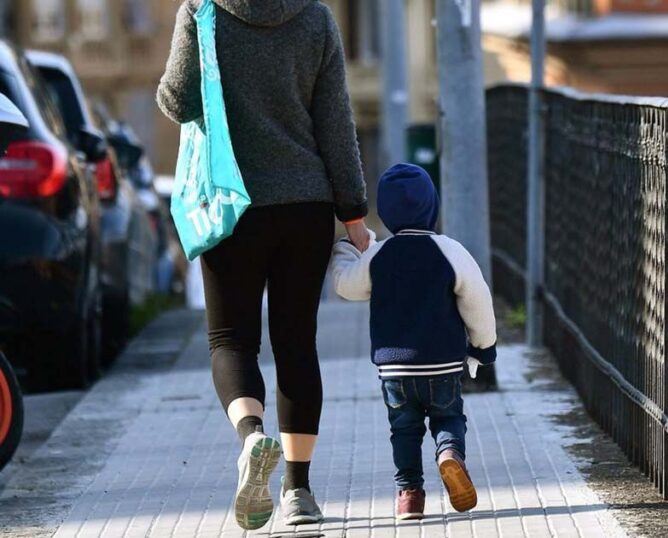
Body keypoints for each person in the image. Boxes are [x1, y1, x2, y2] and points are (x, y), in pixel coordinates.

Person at [156, 0, 371, 529]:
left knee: (231, 340)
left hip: (230, 204)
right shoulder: (317, 18)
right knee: (297, 342)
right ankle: (299, 493)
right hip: (305, 205)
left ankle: (252, 437)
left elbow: (177, 99)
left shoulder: (202, 12)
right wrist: (353, 214)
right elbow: (336, 123)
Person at [332, 164, 497, 520]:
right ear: (432, 206)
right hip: (444, 364)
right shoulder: (449, 250)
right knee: (448, 418)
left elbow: (345, 285)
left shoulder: (380, 255)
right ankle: (449, 453)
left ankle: (409, 496)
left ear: (387, 213)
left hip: (395, 370)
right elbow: (477, 299)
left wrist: (348, 248)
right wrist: (484, 347)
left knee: (403, 430)